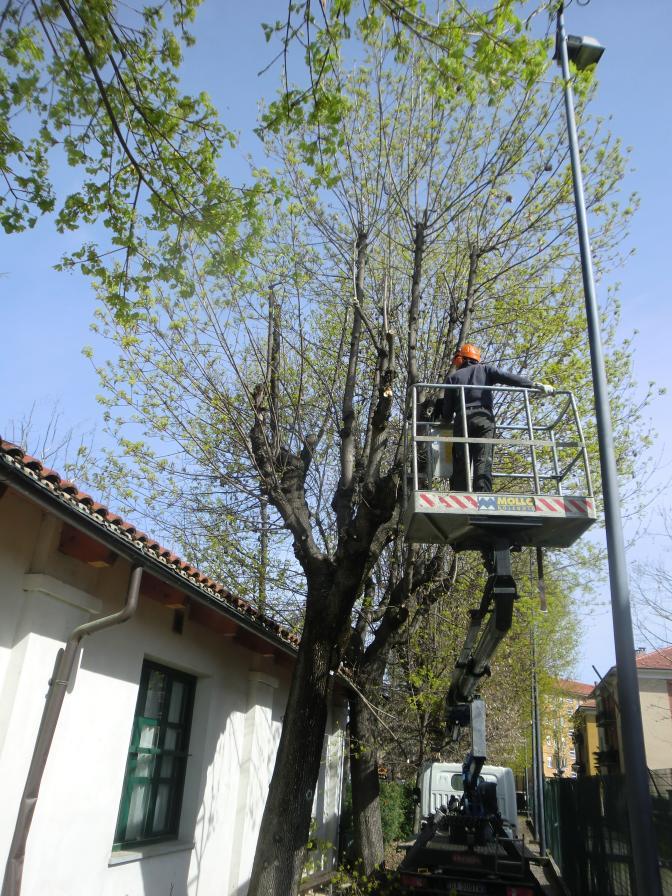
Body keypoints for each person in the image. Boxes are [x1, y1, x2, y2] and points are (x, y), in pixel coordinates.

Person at [441, 343, 553, 492]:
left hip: (463, 420)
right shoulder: (486, 370)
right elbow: (508, 378)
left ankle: (460, 494)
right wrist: (533, 385)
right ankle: (483, 494)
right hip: (485, 418)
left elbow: (447, 412)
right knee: (484, 459)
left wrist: (444, 420)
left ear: (462, 359)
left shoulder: (453, 378)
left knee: (461, 459)